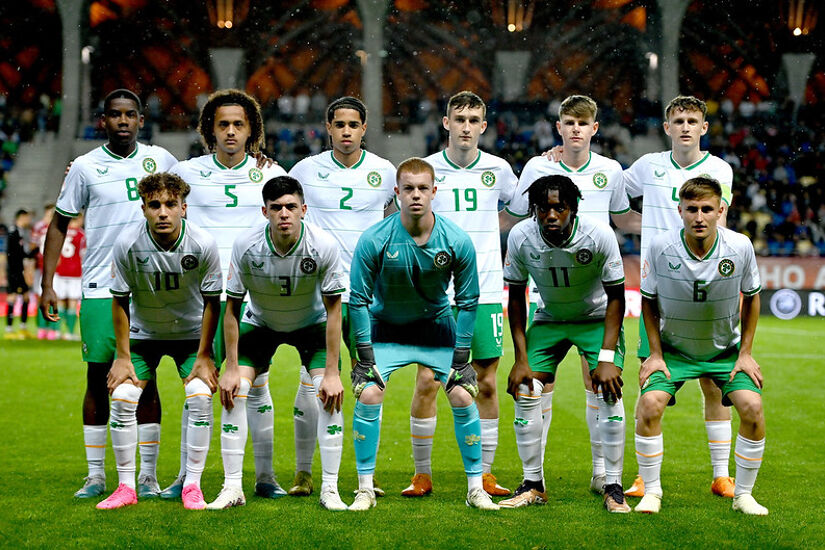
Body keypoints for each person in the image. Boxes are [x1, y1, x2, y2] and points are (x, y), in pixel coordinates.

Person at [41, 89, 177, 498]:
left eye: (130, 115)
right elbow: (61, 224)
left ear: (140, 120)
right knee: (99, 378)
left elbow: (201, 187)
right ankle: (96, 474)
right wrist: (46, 283)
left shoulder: (161, 160)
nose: (122, 121)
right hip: (100, 286)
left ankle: (148, 477)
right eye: (115, 115)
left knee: (146, 380)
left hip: (149, 287)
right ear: (103, 120)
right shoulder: (84, 167)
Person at [347, 157, 498, 511]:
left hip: (436, 330)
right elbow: (357, 301)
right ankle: (365, 488)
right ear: (397, 193)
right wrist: (364, 355)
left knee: (462, 396)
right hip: (387, 330)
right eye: (408, 189)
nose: (416, 195)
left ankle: (476, 489)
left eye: (423, 189)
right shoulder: (375, 238)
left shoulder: (456, 240)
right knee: (368, 395)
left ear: (434, 192)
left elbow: (468, 299)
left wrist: (462, 356)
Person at [509, 95, 640, 495]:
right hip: (551, 291)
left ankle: (604, 474)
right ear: (559, 127)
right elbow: (517, 216)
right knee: (532, 387)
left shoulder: (610, 170)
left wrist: (670, 227)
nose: (576, 129)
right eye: (569, 122)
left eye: (584, 123)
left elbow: (621, 218)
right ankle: (534, 480)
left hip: (597, 289)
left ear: (595, 129)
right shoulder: (536, 168)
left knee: (598, 383)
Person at [165, 89, 288, 500]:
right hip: (201, 296)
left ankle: (265, 477)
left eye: (239, 124)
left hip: (254, 295)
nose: (231, 132)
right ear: (209, 130)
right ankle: (187, 476)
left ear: (251, 128)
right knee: (198, 388)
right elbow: (151, 187)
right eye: (223, 125)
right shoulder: (188, 172)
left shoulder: (270, 173)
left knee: (258, 384)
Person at [208, 175, 347, 511]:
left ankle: (330, 489)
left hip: (310, 325)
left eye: (290, 207)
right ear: (264, 211)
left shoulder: (324, 245)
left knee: (328, 394)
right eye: (276, 208)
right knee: (234, 391)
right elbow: (231, 310)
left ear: (303, 209)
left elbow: (333, 312)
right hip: (262, 324)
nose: (284, 214)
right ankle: (232, 488)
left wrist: (331, 371)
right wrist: (228, 368)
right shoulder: (245, 245)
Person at [403, 91, 517, 498]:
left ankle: (485, 473)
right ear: (446, 123)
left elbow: (522, 210)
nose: (466, 126)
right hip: (435, 295)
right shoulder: (426, 170)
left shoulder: (499, 170)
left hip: (485, 290)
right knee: (428, 380)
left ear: (483, 127)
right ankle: (421, 474)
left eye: (474, 120)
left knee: (486, 382)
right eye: (459, 118)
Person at [623, 96, 736, 499]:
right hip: (660, 288)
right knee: (651, 378)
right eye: (678, 120)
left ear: (704, 127)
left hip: (706, 288)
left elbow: (718, 220)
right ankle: (643, 475)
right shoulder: (646, 166)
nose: (685, 126)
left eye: (692, 120)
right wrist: (647, 225)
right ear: (666, 127)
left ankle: (721, 474)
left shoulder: (720, 169)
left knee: (712, 382)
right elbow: (616, 205)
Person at [635, 177, 766, 515]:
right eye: (691, 209)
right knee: (649, 405)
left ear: (721, 210)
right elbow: (647, 300)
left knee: (752, 407)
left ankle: (744, 496)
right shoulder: (661, 246)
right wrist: (655, 353)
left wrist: (746, 353)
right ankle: (652, 492)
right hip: (674, 352)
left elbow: (752, 297)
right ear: (679, 210)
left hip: (725, 353)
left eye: (707, 209)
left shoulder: (740, 246)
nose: (699, 216)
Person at [287, 96, 396, 497]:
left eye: (354, 124)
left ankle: (366, 473)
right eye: (340, 124)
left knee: (370, 383)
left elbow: (391, 223)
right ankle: (303, 472)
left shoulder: (384, 172)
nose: (347, 131)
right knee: (310, 381)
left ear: (364, 128)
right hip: (319, 294)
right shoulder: (305, 170)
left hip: (368, 295)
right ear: (328, 128)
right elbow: (279, 199)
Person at [502, 175, 629, 512]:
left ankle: (613, 485)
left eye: (560, 207)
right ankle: (533, 484)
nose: (551, 215)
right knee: (526, 387)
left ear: (573, 208)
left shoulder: (599, 234)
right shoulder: (520, 236)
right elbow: (516, 298)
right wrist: (520, 358)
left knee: (608, 386)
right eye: (544, 208)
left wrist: (605, 357)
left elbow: (617, 297)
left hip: (596, 319)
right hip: (549, 320)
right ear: (534, 210)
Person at [96, 172, 221, 511]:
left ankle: (191, 485)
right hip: (143, 335)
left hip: (191, 336)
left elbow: (213, 301)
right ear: (143, 209)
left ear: (184, 208)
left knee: (199, 397)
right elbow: (119, 300)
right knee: (122, 397)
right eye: (154, 206)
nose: (162, 212)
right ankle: (126, 487)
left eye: (170, 205)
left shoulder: (203, 243)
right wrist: (122, 357)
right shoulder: (126, 243)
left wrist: (205, 354)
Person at [5, 208, 36, 339]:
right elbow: (12, 255)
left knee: (26, 297)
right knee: (12, 297)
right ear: (22, 217)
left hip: (19, 270)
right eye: (27, 218)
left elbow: (21, 254)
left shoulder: (20, 233)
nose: (29, 220)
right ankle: (9, 329)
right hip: (14, 271)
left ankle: (22, 327)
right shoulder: (13, 233)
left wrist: (33, 252)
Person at [53, 214, 84, 340]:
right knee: (72, 302)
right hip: (75, 272)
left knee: (60, 301)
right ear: (79, 219)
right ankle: (70, 332)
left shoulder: (62, 231)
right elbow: (84, 254)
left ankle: (57, 331)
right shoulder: (81, 234)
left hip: (60, 271)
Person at [31, 203, 59, 340]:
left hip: (55, 269)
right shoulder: (39, 227)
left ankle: (53, 328)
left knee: (55, 297)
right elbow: (32, 246)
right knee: (39, 297)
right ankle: (41, 328)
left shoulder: (57, 226)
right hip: (40, 267)